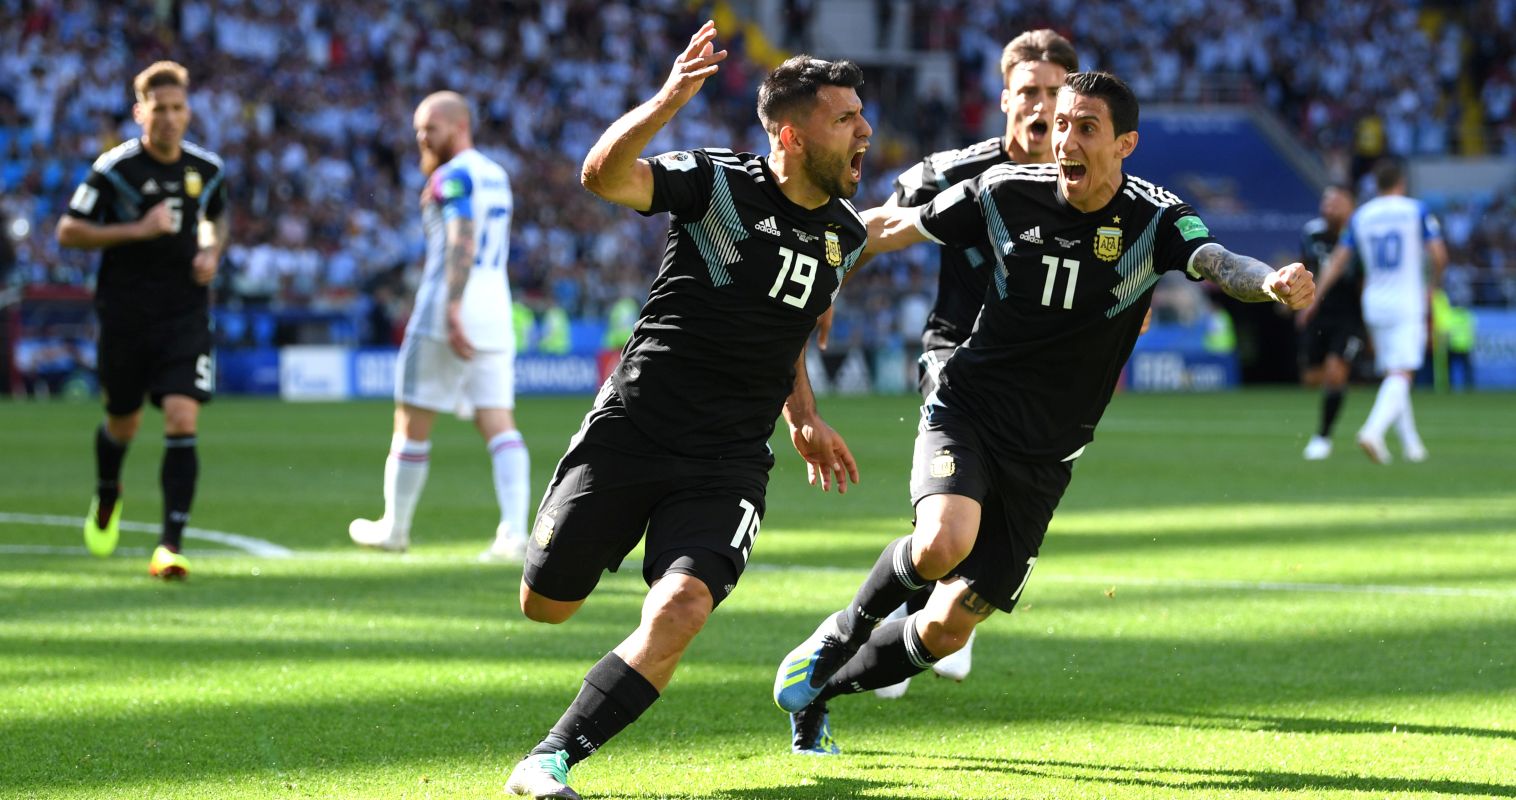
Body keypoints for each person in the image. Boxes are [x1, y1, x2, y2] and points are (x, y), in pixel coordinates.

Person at [773, 71, 1315, 755]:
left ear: (1125, 144)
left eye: (1084, 127)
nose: (1065, 139)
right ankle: (837, 634)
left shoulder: (1156, 218)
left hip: (1048, 454)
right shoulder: (1005, 192)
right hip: (968, 407)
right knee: (945, 541)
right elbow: (898, 226)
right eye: (1061, 124)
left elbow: (1215, 260)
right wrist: (825, 266)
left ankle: (821, 693)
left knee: (947, 632)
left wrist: (1267, 282)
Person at [504, 23, 867, 799]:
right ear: (792, 135)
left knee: (682, 605)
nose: (864, 132)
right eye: (845, 120)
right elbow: (603, 176)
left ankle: (550, 759)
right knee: (546, 605)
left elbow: (791, 326)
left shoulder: (846, 232)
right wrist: (670, 98)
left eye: (862, 117)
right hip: (634, 428)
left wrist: (801, 416)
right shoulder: (717, 185)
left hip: (728, 459)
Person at [872, 28, 1080, 700]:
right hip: (955, 355)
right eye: (1029, 92)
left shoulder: (1094, 189)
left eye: (1054, 92)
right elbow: (871, 224)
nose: (1040, 105)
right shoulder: (952, 171)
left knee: (992, 515)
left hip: (1042, 381)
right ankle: (899, 616)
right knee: (951, 513)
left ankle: (944, 610)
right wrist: (825, 284)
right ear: (1005, 98)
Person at [58, 61, 228, 580]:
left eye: (178, 109)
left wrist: (210, 252)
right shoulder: (114, 170)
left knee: (182, 417)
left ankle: (169, 546)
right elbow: (69, 230)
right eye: (160, 109)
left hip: (184, 313)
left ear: (188, 111)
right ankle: (108, 491)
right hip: (126, 314)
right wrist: (138, 229)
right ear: (140, 113)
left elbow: (215, 218)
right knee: (123, 423)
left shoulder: (207, 169)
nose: (171, 119)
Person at [347, 91, 530, 563]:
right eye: (419, 130)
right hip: (495, 301)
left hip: (451, 300)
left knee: (411, 419)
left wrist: (451, 304)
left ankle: (395, 527)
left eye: (430, 128)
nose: (422, 138)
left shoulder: (452, 176)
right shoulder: (498, 173)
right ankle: (513, 534)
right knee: (498, 419)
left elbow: (460, 235)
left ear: (458, 126)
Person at [1309, 158, 1447, 464]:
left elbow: (1338, 261)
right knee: (1402, 374)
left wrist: (1317, 294)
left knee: (1393, 373)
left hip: (1374, 301)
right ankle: (1372, 431)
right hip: (1407, 299)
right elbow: (1439, 254)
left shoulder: (1362, 216)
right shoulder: (1416, 210)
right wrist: (1433, 285)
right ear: (1401, 182)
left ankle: (1413, 447)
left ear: (1377, 185)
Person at [1297, 184, 1361, 460]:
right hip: (1319, 312)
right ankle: (1345, 385)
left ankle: (1322, 437)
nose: (1329, 205)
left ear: (1350, 204)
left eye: (1336, 200)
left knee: (1335, 371)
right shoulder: (1312, 232)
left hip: (1350, 313)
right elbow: (1303, 264)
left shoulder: (1360, 234)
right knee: (1311, 378)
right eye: (1326, 200)